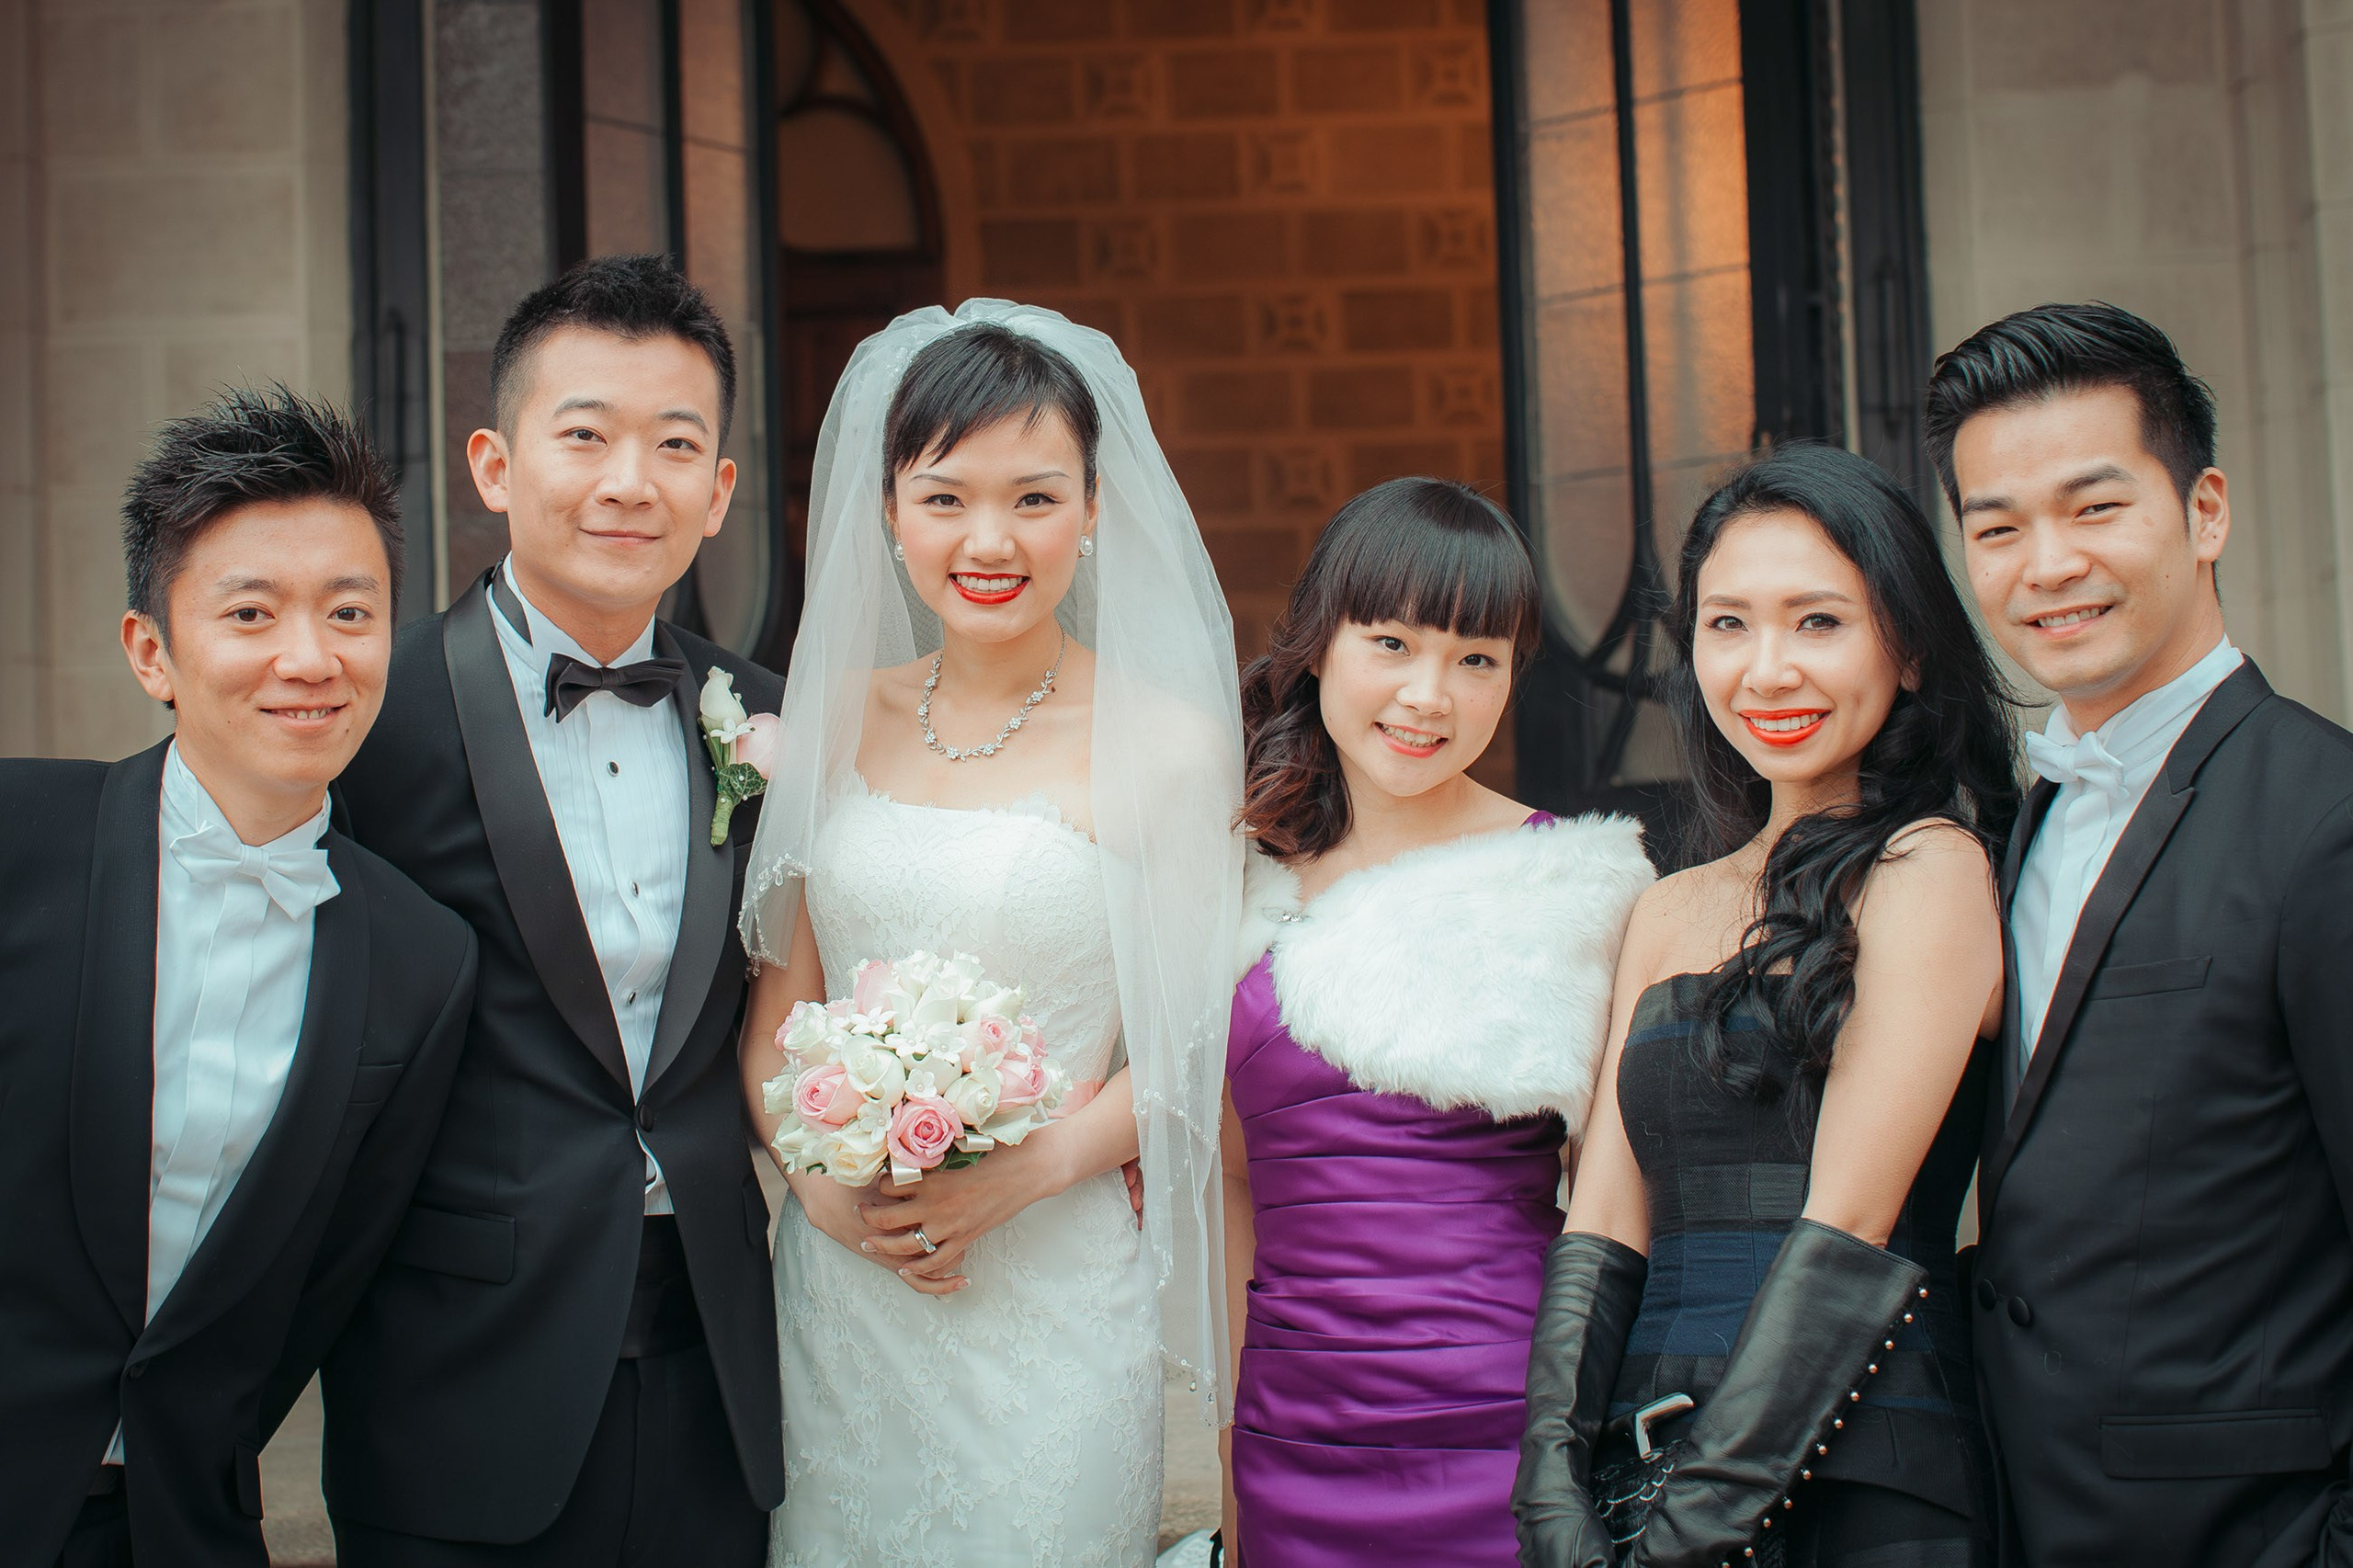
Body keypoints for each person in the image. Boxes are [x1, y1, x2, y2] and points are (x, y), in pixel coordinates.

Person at [736, 301, 1244, 1567]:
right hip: (844, 1294)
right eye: (946, 496)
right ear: (890, 512)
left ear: (1092, 507)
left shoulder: (1167, 743)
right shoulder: (828, 722)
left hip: (1053, 1288)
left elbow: (1192, 1040)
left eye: (1033, 497)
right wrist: (822, 1188)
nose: (989, 539)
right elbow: (770, 1029)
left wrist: (1029, 1169)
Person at [325, 256, 785, 1564]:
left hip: (713, 1371)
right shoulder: (373, 714)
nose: (629, 479)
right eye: (584, 434)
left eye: (674, 443)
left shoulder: (771, 716)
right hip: (455, 1375)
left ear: (718, 493)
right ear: (493, 464)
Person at [1515, 444, 2018, 1567]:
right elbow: (1601, 1224)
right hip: (1641, 1459)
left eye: (1818, 622)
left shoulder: (1928, 867)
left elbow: (1852, 1220)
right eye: (1727, 623)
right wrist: (1549, 1486)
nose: (1766, 668)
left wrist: (1696, 1527)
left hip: (1864, 1464)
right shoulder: (1667, 906)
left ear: (1912, 647)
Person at [0, 388, 476, 1567]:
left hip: (183, 1528)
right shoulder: (16, 837)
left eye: (350, 612)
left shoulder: (421, 959)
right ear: (152, 650)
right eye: (252, 611)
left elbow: (323, 1287)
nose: (309, 658)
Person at [1930, 302, 2353, 1567]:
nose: (2044, 564)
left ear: (2204, 511)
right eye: (1996, 528)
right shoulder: (2014, 820)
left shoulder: (2324, 817)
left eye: (2095, 506)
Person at [1211, 478, 1653, 1568]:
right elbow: (1230, 1181)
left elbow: (1620, 1189)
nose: (1428, 694)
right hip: (1294, 1415)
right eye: (1392, 643)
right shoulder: (1231, 872)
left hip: (1510, 1409)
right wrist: (1231, 1441)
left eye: (1476, 658)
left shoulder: (1580, 881)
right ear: (1321, 643)